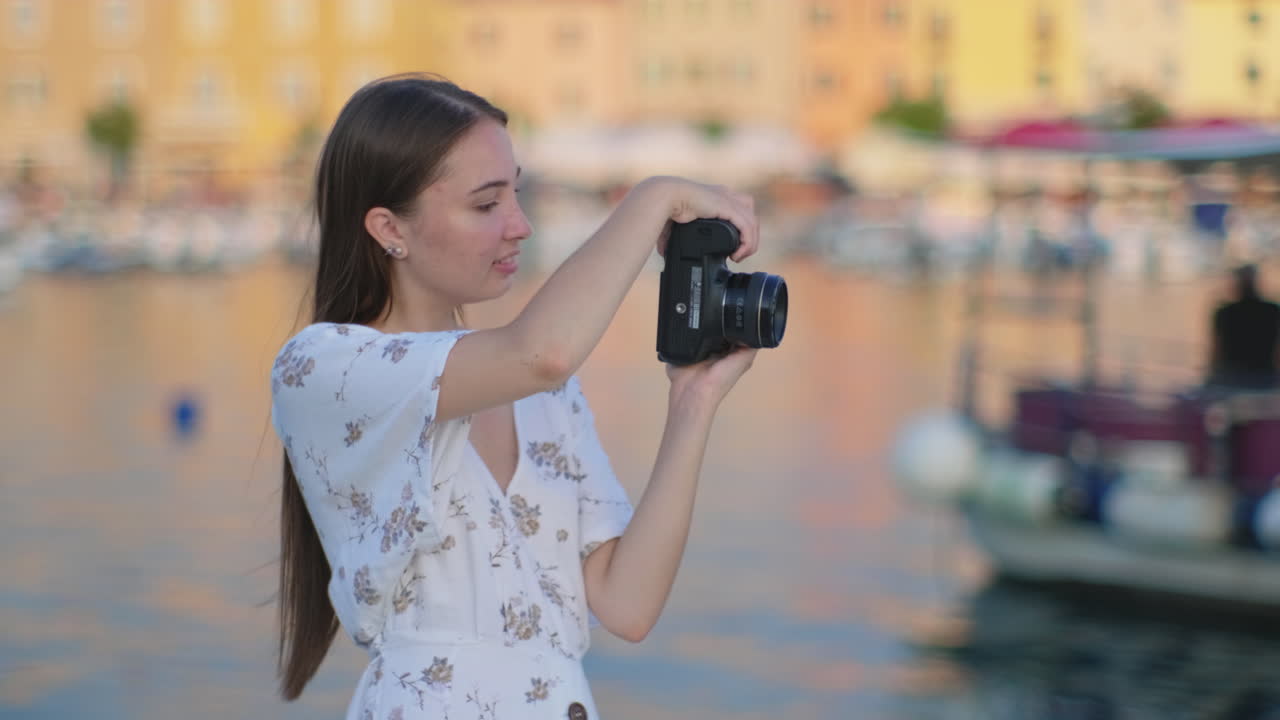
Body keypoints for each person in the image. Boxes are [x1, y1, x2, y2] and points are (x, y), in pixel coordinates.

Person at [268, 73, 761, 720]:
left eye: (517, 195)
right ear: (390, 228)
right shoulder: (323, 369)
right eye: (485, 204)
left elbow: (627, 605)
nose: (520, 226)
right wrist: (656, 198)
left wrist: (693, 403)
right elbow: (543, 350)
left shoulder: (543, 393)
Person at [1207, 263, 1280, 389]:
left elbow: (1215, 352)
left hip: (1231, 378)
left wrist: (1212, 378)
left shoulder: (1224, 312)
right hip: (1265, 377)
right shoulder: (1272, 310)